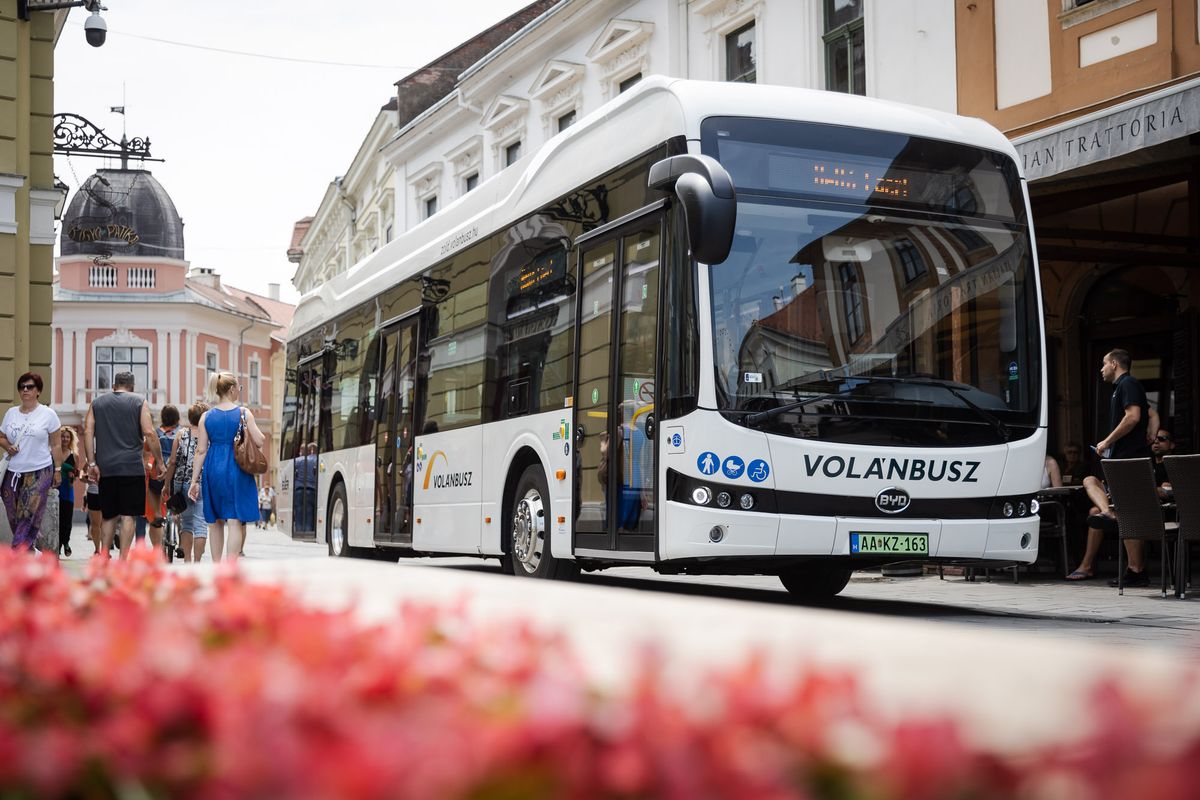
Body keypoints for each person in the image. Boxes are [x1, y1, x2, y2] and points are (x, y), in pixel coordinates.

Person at [1066, 349, 1152, 584]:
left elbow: (1133, 416)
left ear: (1114, 364)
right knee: (1090, 481)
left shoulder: (1128, 383)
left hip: (1130, 461)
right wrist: (1152, 430)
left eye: (1104, 364)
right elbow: (1149, 414)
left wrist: (1107, 441)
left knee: (1130, 514)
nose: (1101, 369)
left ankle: (1136, 570)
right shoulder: (1121, 389)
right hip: (1119, 462)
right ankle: (1107, 511)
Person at [82, 371, 164, 558]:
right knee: (129, 516)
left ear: (114, 385)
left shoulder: (97, 404)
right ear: (132, 387)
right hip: (131, 468)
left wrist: (92, 462)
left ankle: (103, 555)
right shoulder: (138, 402)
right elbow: (150, 433)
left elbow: (88, 432)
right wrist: (159, 461)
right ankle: (123, 560)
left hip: (106, 469)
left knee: (109, 515)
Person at [188, 373, 265, 562]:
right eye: (238, 388)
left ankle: (216, 568)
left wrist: (194, 481)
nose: (239, 391)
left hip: (213, 468)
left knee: (215, 523)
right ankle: (230, 567)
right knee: (234, 520)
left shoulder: (205, 417)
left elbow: (201, 451)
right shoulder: (243, 413)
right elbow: (260, 440)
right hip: (237, 468)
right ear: (231, 389)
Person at [0, 373, 64, 552]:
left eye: (29, 387)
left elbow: (56, 444)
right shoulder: (11, 413)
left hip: (39, 470)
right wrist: (8, 446)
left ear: (38, 391)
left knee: (27, 512)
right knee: (13, 513)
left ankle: (17, 551)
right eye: (22, 387)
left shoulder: (48, 414)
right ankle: (29, 548)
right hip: (13, 471)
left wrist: (58, 469)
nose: (25, 390)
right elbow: (2, 437)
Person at [164, 401, 208, 562]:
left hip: (181, 483)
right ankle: (197, 563)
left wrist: (166, 485)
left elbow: (173, 462)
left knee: (187, 523)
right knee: (201, 525)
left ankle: (188, 562)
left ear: (190, 418)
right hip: (202, 483)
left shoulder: (181, 434)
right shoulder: (209, 435)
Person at [57, 428, 80, 557]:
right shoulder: (54, 453)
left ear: (71, 439)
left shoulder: (74, 455)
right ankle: (58, 545)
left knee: (67, 519)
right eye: (63, 437)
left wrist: (73, 476)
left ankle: (66, 543)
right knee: (57, 519)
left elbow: (77, 473)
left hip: (68, 489)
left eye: (67, 437)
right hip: (56, 488)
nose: (65, 439)